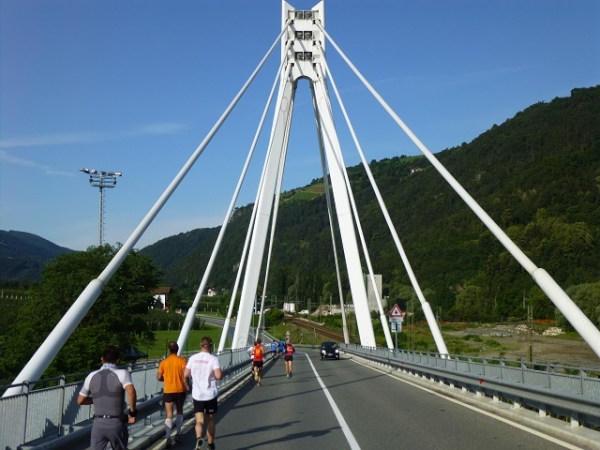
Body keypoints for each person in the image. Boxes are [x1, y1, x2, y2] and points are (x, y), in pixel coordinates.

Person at [77, 346, 138, 450]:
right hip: (116, 423)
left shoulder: (91, 375)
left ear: (102, 359)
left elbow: (80, 400)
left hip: (98, 424)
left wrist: (97, 399)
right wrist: (132, 412)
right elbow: (131, 391)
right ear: (118, 360)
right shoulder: (122, 373)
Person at [184, 337, 223, 450]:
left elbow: (185, 374)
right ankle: (210, 445)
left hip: (197, 395)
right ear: (210, 346)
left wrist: (188, 383)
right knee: (211, 420)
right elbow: (218, 376)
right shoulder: (213, 359)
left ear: (200, 345)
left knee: (199, 420)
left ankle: (199, 438)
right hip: (210, 395)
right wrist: (222, 374)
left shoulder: (193, 358)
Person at [157, 341, 189, 448]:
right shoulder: (182, 360)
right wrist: (187, 384)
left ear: (168, 350)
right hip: (180, 390)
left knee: (169, 414)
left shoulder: (164, 362)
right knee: (179, 411)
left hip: (168, 391)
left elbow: (159, 377)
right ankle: (178, 434)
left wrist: (165, 378)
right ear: (177, 349)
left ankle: (168, 438)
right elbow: (186, 374)